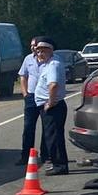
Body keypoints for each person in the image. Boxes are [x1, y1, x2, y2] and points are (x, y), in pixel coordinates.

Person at [33, 39, 69, 175]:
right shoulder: (48, 64)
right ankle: (57, 163)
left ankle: (59, 165)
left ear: (50, 51)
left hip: (53, 106)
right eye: (38, 51)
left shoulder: (53, 65)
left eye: (43, 51)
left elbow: (53, 85)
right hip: (51, 105)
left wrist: (50, 102)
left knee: (54, 137)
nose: (40, 54)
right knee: (52, 136)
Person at [16, 36, 46, 166]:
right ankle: (25, 156)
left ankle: (47, 156)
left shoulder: (48, 59)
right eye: (32, 46)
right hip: (31, 97)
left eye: (36, 45)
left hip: (45, 98)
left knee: (47, 128)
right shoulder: (28, 59)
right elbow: (23, 76)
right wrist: (25, 93)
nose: (33, 48)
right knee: (28, 127)